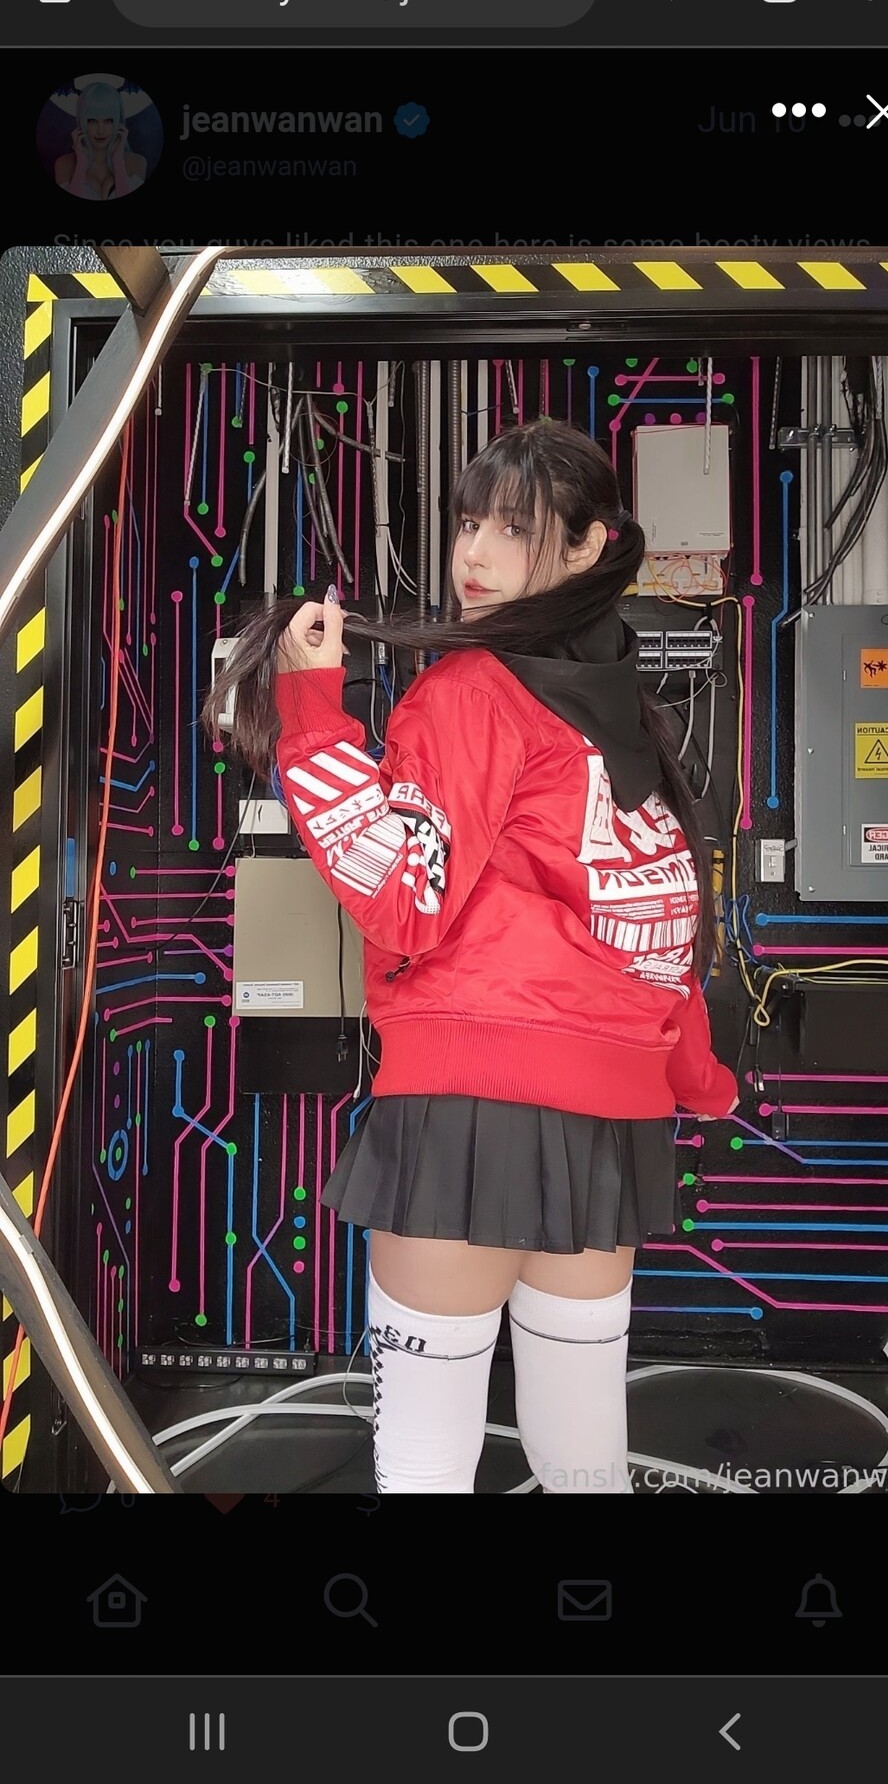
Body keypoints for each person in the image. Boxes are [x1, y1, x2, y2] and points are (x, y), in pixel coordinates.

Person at [203, 418, 739, 1493]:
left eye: (513, 529)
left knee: (425, 1463)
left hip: (469, 1106)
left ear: (588, 547)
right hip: (608, 1129)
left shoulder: (471, 692)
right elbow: (661, 924)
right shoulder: (623, 715)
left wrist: (308, 711)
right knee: (583, 1460)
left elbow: (402, 899)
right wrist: (694, 1075)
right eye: (467, 525)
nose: (473, 556)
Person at [53, 81, 146, 199]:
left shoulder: (137, 163)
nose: (100, 131)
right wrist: (81, 164)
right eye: (92, 120)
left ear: (118, 121)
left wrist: (118, 162)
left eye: (108, 120)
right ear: (82, 121)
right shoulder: (63, 165)